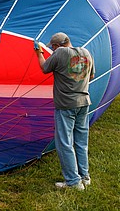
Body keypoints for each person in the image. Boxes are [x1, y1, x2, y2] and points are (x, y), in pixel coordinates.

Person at [34, 32, 95, 190]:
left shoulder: (60, 53)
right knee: (81, 141)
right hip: (84, 103)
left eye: (52, 49)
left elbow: (44, 68)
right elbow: (92, 76)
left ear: (56, 46)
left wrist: (39, 53)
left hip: (66, 105)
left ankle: (73, 182)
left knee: (64, 143)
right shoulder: (86, 52)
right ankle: (85, 177)